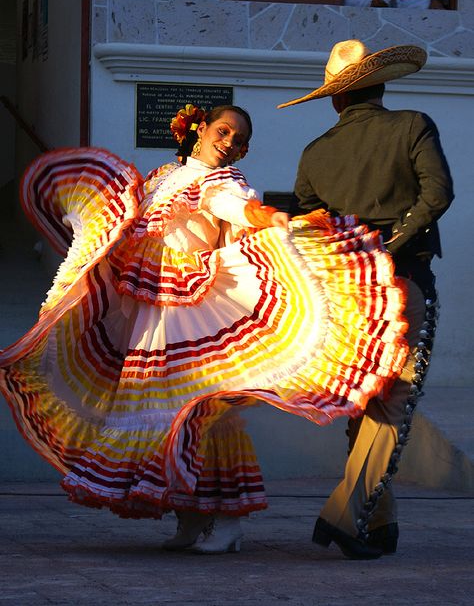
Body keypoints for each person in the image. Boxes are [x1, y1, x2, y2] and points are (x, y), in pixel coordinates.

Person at [0, 103, 409, 556]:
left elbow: (245, 212)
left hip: (192, 311)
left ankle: (230, 521)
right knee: (167, 413)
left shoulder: (224, 184)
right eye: (223, 130)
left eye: (238, 139)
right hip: (149, 310)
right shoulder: (159, 180)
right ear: (200, 130)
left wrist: (278, 219)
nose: (229, 141)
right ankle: (192, 519)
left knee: (204, 411)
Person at [279, 39, 454, 559]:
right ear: (382, 85)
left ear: (335, 100)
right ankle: (344, 512)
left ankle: (376, 526)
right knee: (393, 401)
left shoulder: (316, 152)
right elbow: (437, 194)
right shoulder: (412, 124)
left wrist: (350, 260)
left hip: (349, 292)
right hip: (404, 277)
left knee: (366, 404)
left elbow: (309, 227)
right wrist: (390, 244)